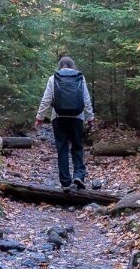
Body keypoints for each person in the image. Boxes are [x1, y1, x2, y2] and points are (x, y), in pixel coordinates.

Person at [35, 56, 95, 190]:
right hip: (77, 117)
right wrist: (90, 117)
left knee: (62, 148)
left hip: (58, 117)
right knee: (77, 147)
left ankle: (65, 182)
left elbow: (46, 99)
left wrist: (40, 117)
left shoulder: (53, 78)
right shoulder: (80, 77)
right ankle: (79, 175)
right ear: (72, 65)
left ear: (60, 65)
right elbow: (86, 99)